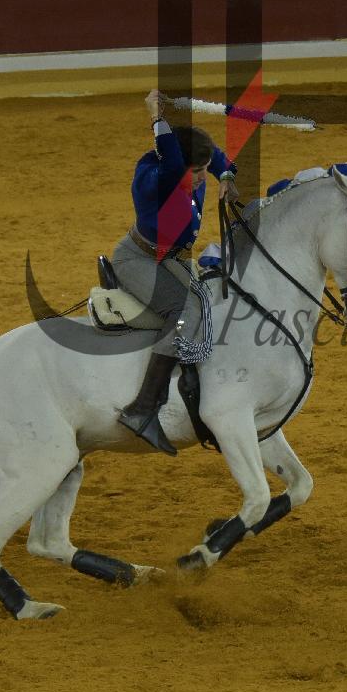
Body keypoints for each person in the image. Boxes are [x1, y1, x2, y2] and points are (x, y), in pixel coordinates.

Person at [113, 90, 239, 455]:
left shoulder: (185, 165)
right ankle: (142, 408)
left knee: (214, 297)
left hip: (173, 258)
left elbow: (214, 156)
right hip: (139, 260)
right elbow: (171, 160)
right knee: (185, 309)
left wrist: (225, 174)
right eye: (196, 172)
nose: (201, 178)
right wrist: (156, 116)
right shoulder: (156, 179)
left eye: (203, 171)